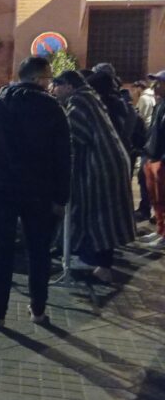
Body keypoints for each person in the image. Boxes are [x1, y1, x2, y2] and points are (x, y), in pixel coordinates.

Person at [0, 56, 70, 328]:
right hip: (40, 192)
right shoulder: (53, 108)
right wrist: (61, 198)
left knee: (1, 252)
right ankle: (38, 311)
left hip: (0, 190)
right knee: (39, 252)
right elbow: (63, 157)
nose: (50, 83)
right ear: (38, 78)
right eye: (48, 78)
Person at [51, 70, 135, 284]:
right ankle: (95, 263)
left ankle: (96, 265)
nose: (54, 90)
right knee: (103, 216)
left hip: (99, 168)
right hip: (109, 165)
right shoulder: (90, 98)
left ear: (69, 86)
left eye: (57, 85)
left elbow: (73, 138)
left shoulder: (79, 102)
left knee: (97, 215)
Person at [140, 70, 165, 249]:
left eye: (159, 83)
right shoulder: (160, 104)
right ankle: (160, 230)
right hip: (153, 157)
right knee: (156, 198)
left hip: (162, 159)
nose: (155, 87)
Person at [132, 80, 156, 221]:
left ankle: (146, 210)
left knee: (144, 176)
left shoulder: (144, 98)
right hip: (151, 142)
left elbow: (140, 117)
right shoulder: (156, 100)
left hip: (149, 142)